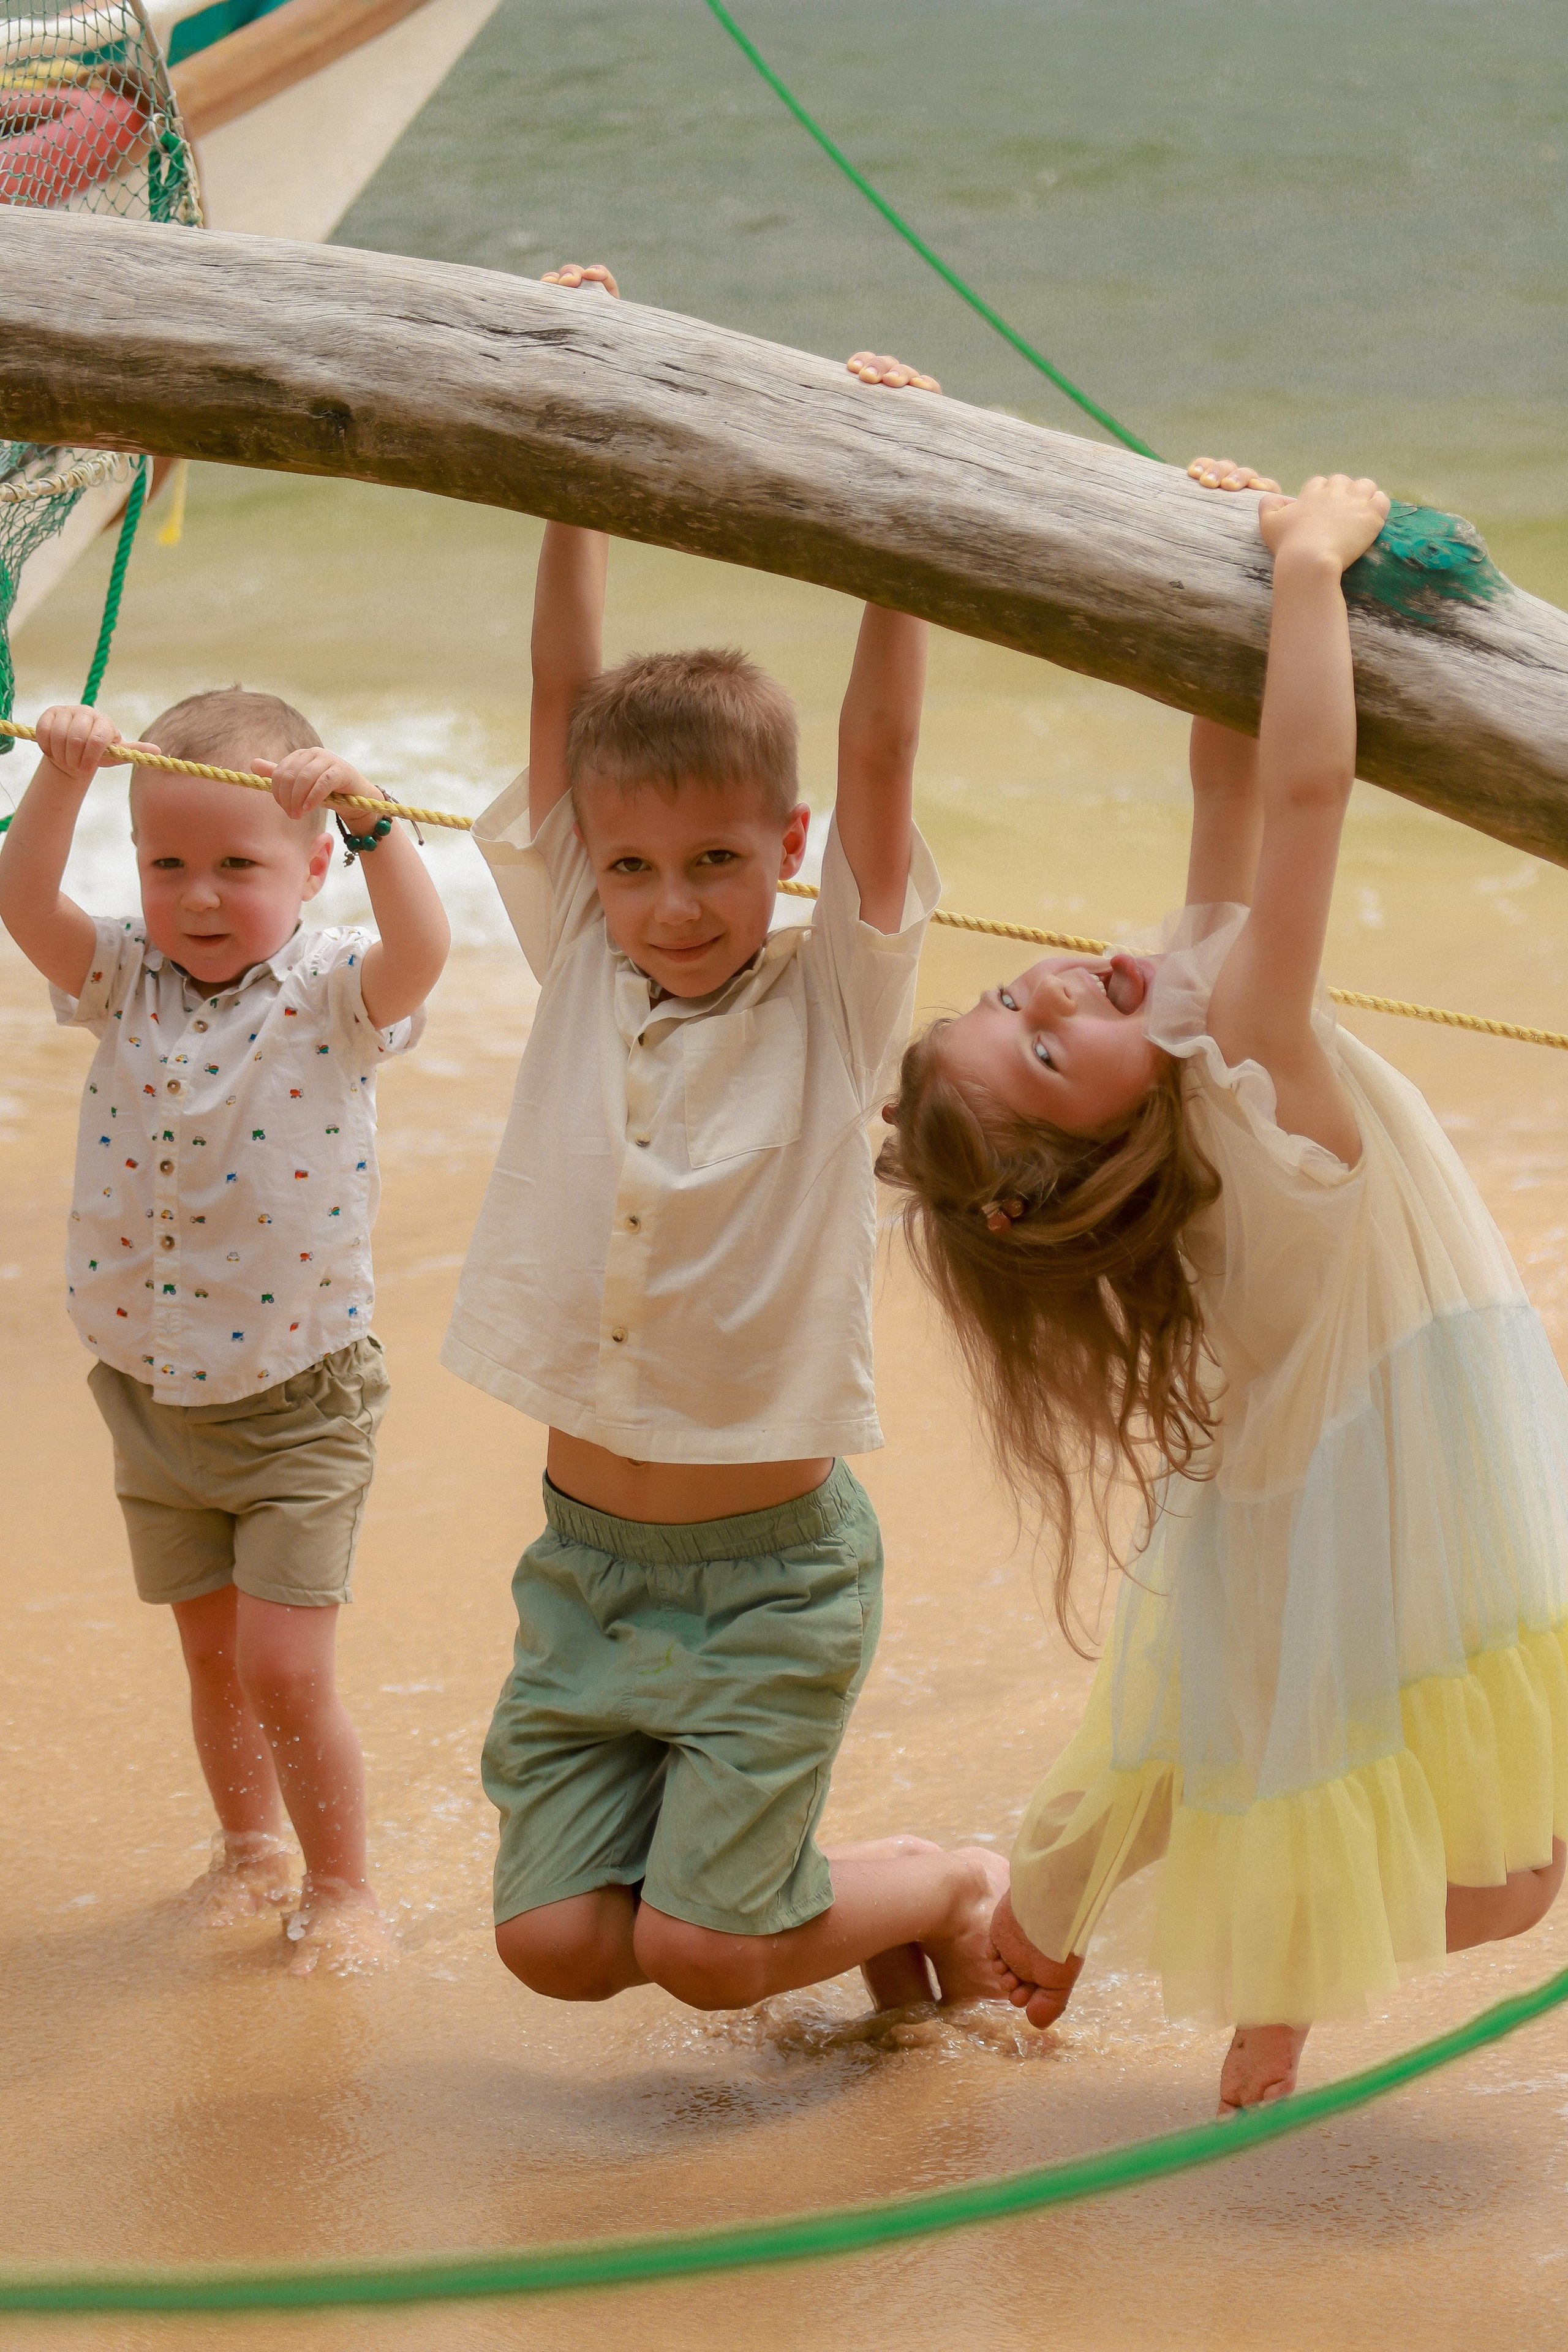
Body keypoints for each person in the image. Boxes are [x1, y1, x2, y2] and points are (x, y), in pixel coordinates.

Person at [878, 458, 1568, 2111]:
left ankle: (1128, 1945)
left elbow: (1228, 776)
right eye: (1046, 1051)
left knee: (1255, 1744)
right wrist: (1313, 570)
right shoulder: (1245, 1047)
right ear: (1092, 1150)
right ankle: (1252, 1966)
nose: (1053, 988)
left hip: (1325, 1468)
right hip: (1404, 1473)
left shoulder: (1190, 1026)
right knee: (1494, 1864)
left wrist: (1235, 571)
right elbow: (1307, 795)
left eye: (1012, 1001)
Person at [443, 262, 1006, 2015]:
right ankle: (790, 1888)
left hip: (771, 1579)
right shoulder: (576, 960)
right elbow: (561, 689)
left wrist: (888, 495)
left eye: (717, 863)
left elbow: (884, 748)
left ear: (787, 845)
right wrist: (573, 431)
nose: (673, 905)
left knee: (701, 1959)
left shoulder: (832, 1002)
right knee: (554, 1948)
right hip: (584, 1568)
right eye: (631, 866)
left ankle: (939, 1884)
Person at [0, 689, 450, 1970]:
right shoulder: (122, 977)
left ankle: (345, 1887)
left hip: (297, 1397)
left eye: (238, 867)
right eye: (167, 865)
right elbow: (23, 903)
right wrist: (63, 778)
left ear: (310, 870)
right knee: (212, 1661)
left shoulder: (331, 989)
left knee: (285, 1667)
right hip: (148, 1394)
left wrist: (372, 819)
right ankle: (251, 1851)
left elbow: (421, 952)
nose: (198, 897)